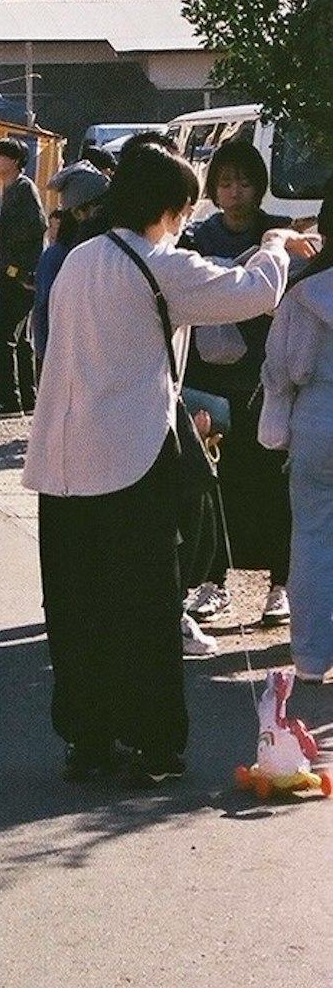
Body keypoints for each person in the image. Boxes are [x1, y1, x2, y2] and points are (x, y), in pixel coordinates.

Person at [24, 140, 298, 784]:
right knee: (144, 604)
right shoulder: (156, 266)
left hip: (60, 460)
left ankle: (86, 743)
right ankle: (154, 743)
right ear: (171, 206)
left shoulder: (78, 258)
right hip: (130, 457)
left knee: (75, 607)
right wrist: (280, 246)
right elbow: (252, 291)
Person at [180, 138, 293, 630]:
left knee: (272, 482)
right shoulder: (197, 237)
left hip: (267, 379)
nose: (234, 192)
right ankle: (214, 580)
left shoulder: (281, 235)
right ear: (213, 186)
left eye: (244, 181)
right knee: (212, 484)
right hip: (210, 378)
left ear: (259, 186)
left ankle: (280, 584)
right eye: (225, 182)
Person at [260, 189, 333, 686]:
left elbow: (279, 369)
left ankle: (310, 658)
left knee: (311, 534)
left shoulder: (304, 291)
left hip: (316, 416)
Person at [0, 138, 45, 413]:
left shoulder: (23, 188)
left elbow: (34, 226)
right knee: (20, 340)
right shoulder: (8, 189)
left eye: (0, 156)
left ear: (15, 161)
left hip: (20, 274)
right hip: (13, 272)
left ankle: (7, 399)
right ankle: (27, 399)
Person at [30, 160, 109, 363]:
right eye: (98, 209)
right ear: (78, 212)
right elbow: (43, 312)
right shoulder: (56, 257)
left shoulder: (109, 251)